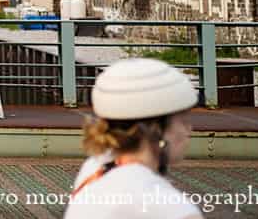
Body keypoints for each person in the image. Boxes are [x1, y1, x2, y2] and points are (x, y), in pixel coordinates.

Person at [64, 58, 203, 219]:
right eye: (183, 121)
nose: (189, 129)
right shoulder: (167, 206)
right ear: (155, 129)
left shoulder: (96, 166)